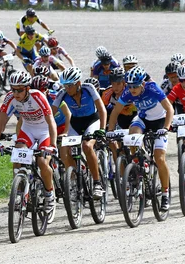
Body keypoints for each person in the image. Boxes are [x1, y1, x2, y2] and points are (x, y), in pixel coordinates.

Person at [107, 67, 174, 211]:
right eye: (130, 86)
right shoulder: (127, 92)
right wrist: (110, 131)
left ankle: (165, 194)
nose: (132, 89)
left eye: (135, 86)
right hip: (143, 119)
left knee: (159, 158)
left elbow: (170, 109)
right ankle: (138, 161)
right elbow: (115, 112)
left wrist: (166, 128)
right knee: (132, 135)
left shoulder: (152, 88)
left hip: (160, 121)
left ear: (142, 84)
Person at [0, 71, 58, 213]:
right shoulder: (10, 97)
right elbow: (1, 120)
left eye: (20, 90)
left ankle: (49, 194)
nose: (16, 93)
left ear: (27, 88)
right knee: (17, 157)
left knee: (42, 162)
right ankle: (19, 192)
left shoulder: (38, 96)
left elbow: (51, 120)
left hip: (44, 131)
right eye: (13, 89)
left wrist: (53, 144)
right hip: (27, 130)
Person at [53, 67, 107, 200]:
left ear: (78, 83)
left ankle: (97, 183)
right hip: (75, 123)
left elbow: (102, 109)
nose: (67, 89)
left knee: (87, 146)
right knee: (64, 150)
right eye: (65, 86)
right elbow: (50, 113)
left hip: (92, 121)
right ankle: (73, 179)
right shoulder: (62, 94)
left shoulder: (88, 88)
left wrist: (102, 129)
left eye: (70, 85)